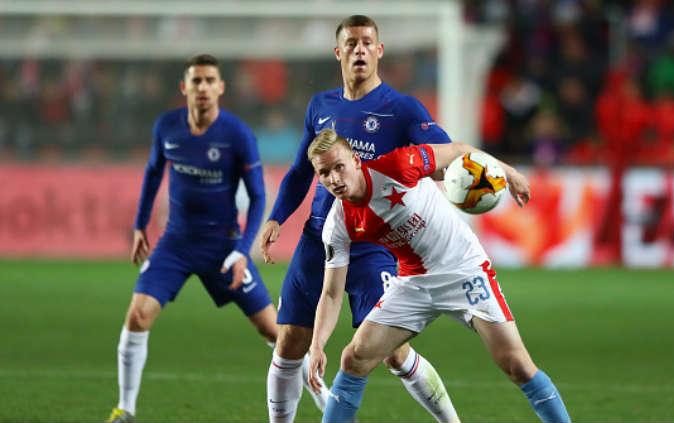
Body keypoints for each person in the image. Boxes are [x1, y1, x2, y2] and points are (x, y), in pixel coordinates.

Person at [260, 15, 459, 423]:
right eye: (351, 43)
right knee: (290, 341)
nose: (360, 49)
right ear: (339, 53)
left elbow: (444, 155)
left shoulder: (402, 109)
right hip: (320, 238)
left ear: (379, 51)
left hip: (375, 246)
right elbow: (301, 170)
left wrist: (463, 178)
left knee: (392, 352)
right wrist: (278, 216)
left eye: (368, 42)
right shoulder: (321, 106)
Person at [106, 54, 326, 423]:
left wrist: (242, 252)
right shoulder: (167, 128)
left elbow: (258, 198)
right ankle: (125, 409)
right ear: (185, 88)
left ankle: (328, 403)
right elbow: (152, 173)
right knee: (138, 315)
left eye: (210, 81)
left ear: (220, 88)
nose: (203, 87)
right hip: (175, 244)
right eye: (197, 81)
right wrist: (140, 225)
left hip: (224, 246)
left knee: (275, 330)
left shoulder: (237, 135)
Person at [306, 128, 572, 423]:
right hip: (412, 284)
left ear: (355, 161)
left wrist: (509, 174)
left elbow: (458, 150)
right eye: (324, 172)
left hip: (463, 270)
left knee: (517, 365)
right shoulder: (338, 223)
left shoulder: (398, 165)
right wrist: (317, 345)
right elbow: (331, 293)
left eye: (339, 166)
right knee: (354, 358)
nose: (334, 178)